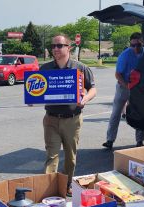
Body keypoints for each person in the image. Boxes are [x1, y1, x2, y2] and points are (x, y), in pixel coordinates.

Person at [40, 34, 97, 196]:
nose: (55, 49)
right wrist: (32, 97)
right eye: (53, 46)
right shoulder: (45, 69)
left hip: (72, 120)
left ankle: (66, 184)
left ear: (68, 48)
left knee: (70, 158)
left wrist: (85, 98)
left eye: (59, 46)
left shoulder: (80, 68)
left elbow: (93, 88)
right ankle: (50, 189)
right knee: (52, 156)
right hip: (51, 119)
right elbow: (35, 88)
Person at [102, 32, 144, 150]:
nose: (136, 48)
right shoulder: (125, 55)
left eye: (138, 45)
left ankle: (140, 141)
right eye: (133, 45)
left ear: (143, 43)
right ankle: (110, 140)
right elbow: (118, 74)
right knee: (116, 113)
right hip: (124, 86)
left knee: (140, 113)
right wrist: (127, 86)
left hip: (139, 88)